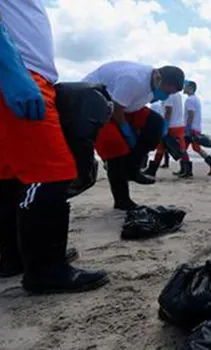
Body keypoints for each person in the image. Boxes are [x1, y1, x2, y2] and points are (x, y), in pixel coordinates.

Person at [0, 0, 109, 293]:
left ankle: (15, 257)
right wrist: (10, 71)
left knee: (12, 175)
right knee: (50, 172)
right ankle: (45, 269)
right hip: (21, 75)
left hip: (26, 74)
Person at [83, 61, 185, 210]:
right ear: (158, 77)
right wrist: (127, 131)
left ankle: (132, 168)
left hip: (118, 104)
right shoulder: (133, 79)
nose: (167, 96)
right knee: (115, 148)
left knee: (155, 123)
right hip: (95, 105)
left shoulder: (153, 83)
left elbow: (128, 105)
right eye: (167, 91)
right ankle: (122, 200)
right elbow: (117, 109)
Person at [177, 80, 211, 178]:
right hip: (196, 128)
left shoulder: (190, 100)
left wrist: (187, 129)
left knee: (182, 148)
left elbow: (190, 115)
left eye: (185, 86)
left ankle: (186, 171)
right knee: (196, 148)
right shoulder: (195, 99)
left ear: (190, 88)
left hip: (191, 129)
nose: (184, 87)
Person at [144, 92, 186, 177]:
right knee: (168, 147)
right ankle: (152, 170)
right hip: (178, 125)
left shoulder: (169, 95)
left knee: (170, 148)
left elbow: (168, 111)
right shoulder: (177, 94)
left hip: (171, 126)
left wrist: (165, 126)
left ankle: (152, 170)